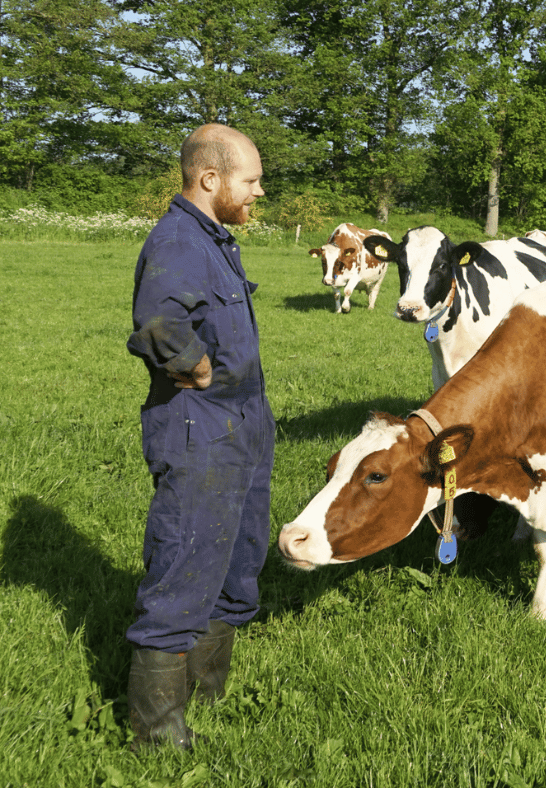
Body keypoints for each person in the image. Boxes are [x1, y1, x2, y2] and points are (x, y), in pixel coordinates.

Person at [125, 124, 274, 750]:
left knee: (237, 561)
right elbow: (159, 321)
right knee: (186, 563)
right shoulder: (179, 239)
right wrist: (198, 368)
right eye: (251, 181)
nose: (259, 192)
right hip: (200, 425)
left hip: (243, 424)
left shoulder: (216, 239)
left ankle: (207, 696)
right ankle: (157, 735)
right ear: (209, 179)